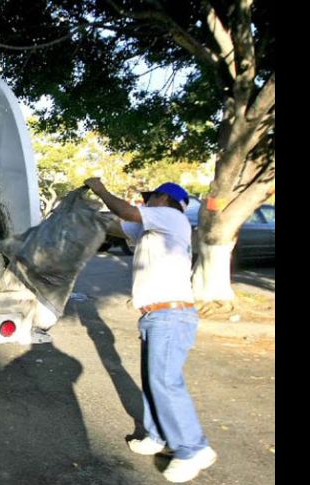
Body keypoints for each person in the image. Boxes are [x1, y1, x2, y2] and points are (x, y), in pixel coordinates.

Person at [84, 178, 216, 483]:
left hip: (170, 316)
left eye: (151, 197)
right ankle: (158, 437)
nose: (145, 202)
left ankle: (193, 447)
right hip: (158, 316)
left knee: (166, 382)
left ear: (165, 199)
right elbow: (119, 224)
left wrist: (101, 190)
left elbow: (128, 213)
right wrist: (91, 210)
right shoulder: (152, 228)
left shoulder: (172, 217)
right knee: (154, 380)